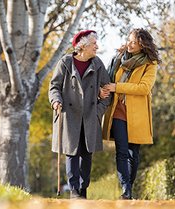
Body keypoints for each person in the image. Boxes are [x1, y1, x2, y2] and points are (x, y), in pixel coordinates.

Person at [48, 30, 111, 199]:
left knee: (87, 154)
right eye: (94, 44)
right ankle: (74, 191)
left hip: (90, 116)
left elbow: (107, 91)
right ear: (82, 46)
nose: (97, 46)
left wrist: (98, 111)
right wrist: (55, 101)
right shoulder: (65, 62)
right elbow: (54, 87)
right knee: (71, 153)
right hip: (69, 115)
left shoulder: (97, 64)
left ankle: (83, 190)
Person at [100, 28, 161, 199]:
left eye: (134, 42)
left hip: (137, 114)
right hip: (118, 111)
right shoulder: (119, 59)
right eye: (129, 40)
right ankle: (126, 191)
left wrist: (117, 87)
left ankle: (129, 188)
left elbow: (144, 88)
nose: (130, 44)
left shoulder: (150, 64)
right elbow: (108, 78)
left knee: (134, 154)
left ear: (143, 45)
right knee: (122, 151)